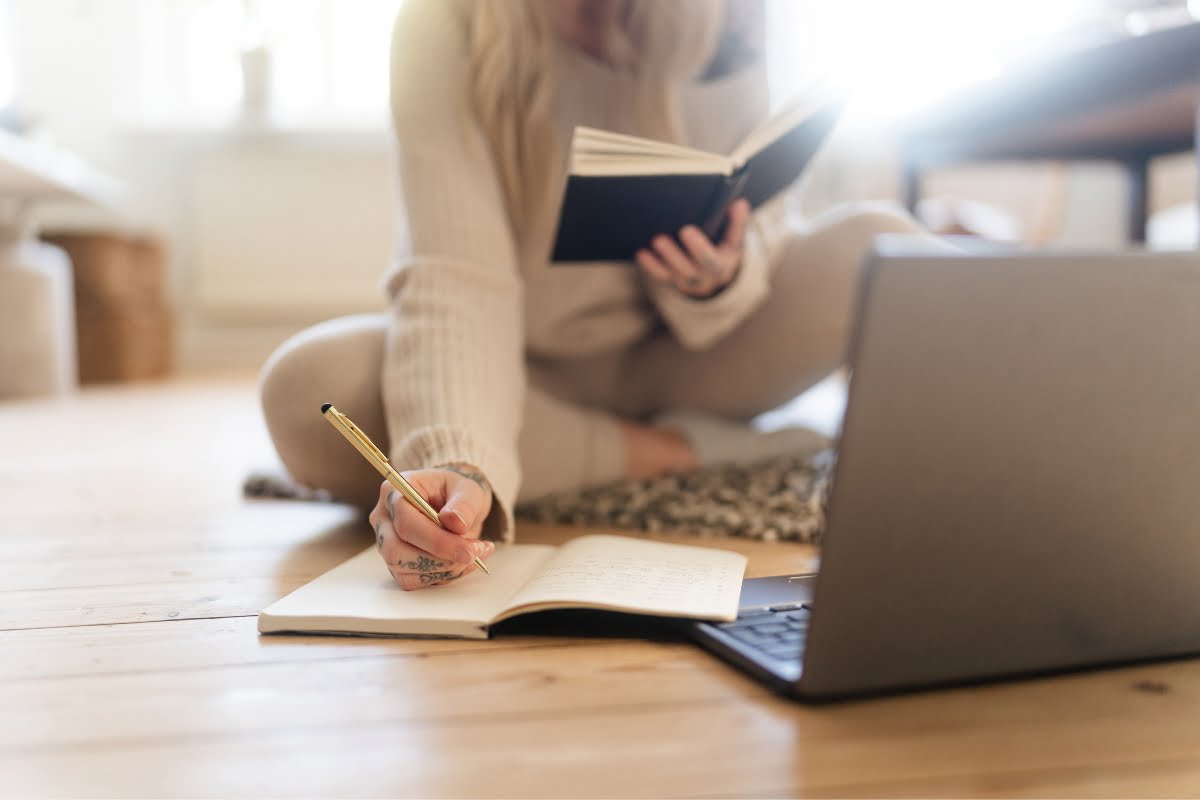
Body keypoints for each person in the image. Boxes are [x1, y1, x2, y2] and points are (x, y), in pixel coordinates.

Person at [259, 0, 925, 591]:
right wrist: (457, 464)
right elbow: (455, 276)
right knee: (307, 387)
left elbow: (768, 216)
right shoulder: (445, 22)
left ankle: (611, 448)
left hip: (689, 359)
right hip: (522, 383)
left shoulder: (728, 15)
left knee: (886, 246)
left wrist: (721, 276)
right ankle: (677, 452)